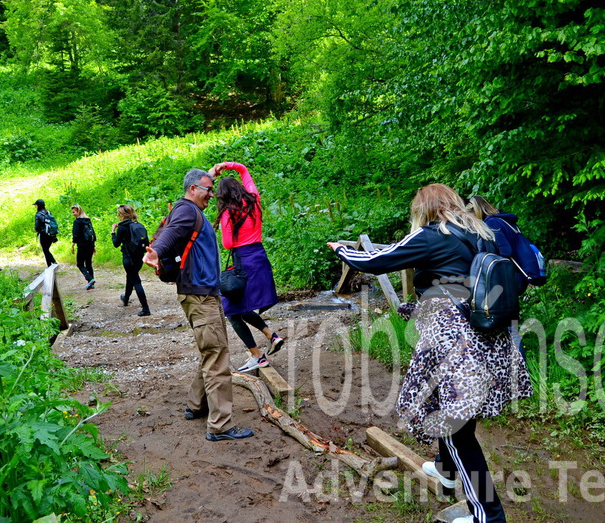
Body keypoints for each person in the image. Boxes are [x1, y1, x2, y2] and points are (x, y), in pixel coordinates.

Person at [327, 183, 532, 523]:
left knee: (451, 424)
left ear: (423, 209)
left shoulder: (430, 235)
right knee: (454, 410)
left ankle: (489, 517)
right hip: (489, 336)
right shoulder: (482, 232)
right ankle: (445, 471)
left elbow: (377, 261)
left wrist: (340, 250)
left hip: (452, 339)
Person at [144, 168, 254, 442]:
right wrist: (157, 251)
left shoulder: (193, 209)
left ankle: (197, 405)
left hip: (205, 293)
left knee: (212, 350)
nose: (212, 194)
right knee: (217, 356)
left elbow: (204, 181)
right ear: (193, 189)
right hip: (199, 295)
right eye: (208, 189)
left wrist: (216, 170)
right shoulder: (186, 211)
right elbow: (171, 234)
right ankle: (220, 425)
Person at [209, 161, 284, 373]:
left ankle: (258, 357)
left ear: (222, 196)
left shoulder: (227, 213)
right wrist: (227, 165)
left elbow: (227, 244)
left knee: (232, 311)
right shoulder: (254, 199)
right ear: (240, 188)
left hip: (243, 260)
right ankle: (272, 336)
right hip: (259, 256)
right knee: (240, 307)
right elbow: (244, 170)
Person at [467, 195, 526, 356]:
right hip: (513, 278)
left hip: (504, 280)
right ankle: (515, 368)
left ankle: (520, 368)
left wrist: (486, 258)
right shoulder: (505, 221)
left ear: (477, 211)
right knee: (510, 324)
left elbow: (505, 251)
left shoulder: (491, 223)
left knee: (508, 327)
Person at [111, 204, 151, 316]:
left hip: (128, 258)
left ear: (122, 215)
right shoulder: (137, 225)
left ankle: (146, 308)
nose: (118, 216)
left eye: (119, 214)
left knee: (136, 281)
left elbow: (116, 244)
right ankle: (126, 298)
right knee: (131, 277)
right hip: (139, 257)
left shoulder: (122, 228)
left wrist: (113, 232)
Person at [71, 204, 97, 290]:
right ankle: (91, 284)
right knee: (88, 263)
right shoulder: (88, 220)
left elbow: (76, 234)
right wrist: (93, 245)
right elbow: (92, 232)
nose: (73, 214)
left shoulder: (77, 222)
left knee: (80, 264)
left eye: (74, 212)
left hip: (82, 245)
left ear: (78, 211)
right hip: (90, 244)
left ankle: (90, 279)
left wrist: (73, 244)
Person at [33, 199, 57, 267]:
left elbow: (37, 226)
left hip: (43, 234)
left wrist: (36, 230)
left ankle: (52, 264)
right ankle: (51, 264)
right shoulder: (48, 212)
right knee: (46, 249)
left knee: (45, 250)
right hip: (51, 234)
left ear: (38, 206)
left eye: (36, 205)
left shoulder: (38, 214)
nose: (35, 207)